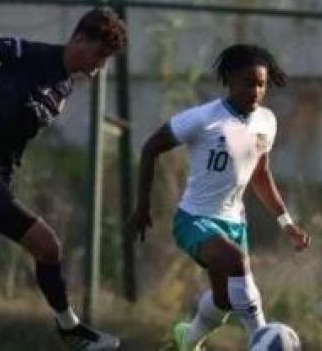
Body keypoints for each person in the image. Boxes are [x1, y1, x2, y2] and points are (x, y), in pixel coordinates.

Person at [0, 8, 127, 350]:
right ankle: (69, 328)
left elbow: (8, 110)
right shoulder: (29, 54)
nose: (100, 65)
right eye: (99, 54)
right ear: (79, 39)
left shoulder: (64, 87)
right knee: (48, 246)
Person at [127, 44, 311, 351]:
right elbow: (150, 148)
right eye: (247, 83)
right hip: (194, 219)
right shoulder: (203, 119)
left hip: (234, 224)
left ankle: (188, 340)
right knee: (235, 262)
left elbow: (260, 175)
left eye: (261, 84)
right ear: (229, 81)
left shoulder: (266, 122)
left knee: (225, 300)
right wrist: (142, 205)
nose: (255, 91)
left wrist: (286, 221)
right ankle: (261, 339)